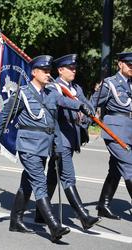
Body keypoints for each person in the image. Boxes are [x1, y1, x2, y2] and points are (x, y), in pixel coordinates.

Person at [0, 55, 93, 242]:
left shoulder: (51, 94)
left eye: (49, 71)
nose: (48, 74)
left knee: (27, 182)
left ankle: (16, 220)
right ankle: (54, 226)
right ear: (34, 72)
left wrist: (82, 106)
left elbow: (66, 102)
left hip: (45, 147)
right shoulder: (22, 93)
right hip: (28, 146)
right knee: (40, 183)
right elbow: (4, 117)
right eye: (44, 71)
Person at [34, 54, 101, 230]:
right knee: (67, 176)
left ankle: (40, 213)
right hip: (59, 138)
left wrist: (88, 113)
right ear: (60, 70)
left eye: (74, 68)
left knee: (52, 176)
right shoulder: (53, 87)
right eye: (70, 68)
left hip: (72, 138)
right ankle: (83, 216)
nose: (74, 71)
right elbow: (62, 103)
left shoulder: (76, 88)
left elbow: (88, 107)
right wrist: (78, 105)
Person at [91, 52, 132, 220]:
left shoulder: (130, 84)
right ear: (120, 64)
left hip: (129, 130)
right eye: (129, 64)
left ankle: (103, 205)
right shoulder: (110, 84)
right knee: (130, 168)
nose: (131, 67)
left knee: (116, 169)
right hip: (115, 131)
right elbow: (92, 104)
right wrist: (80, 128)